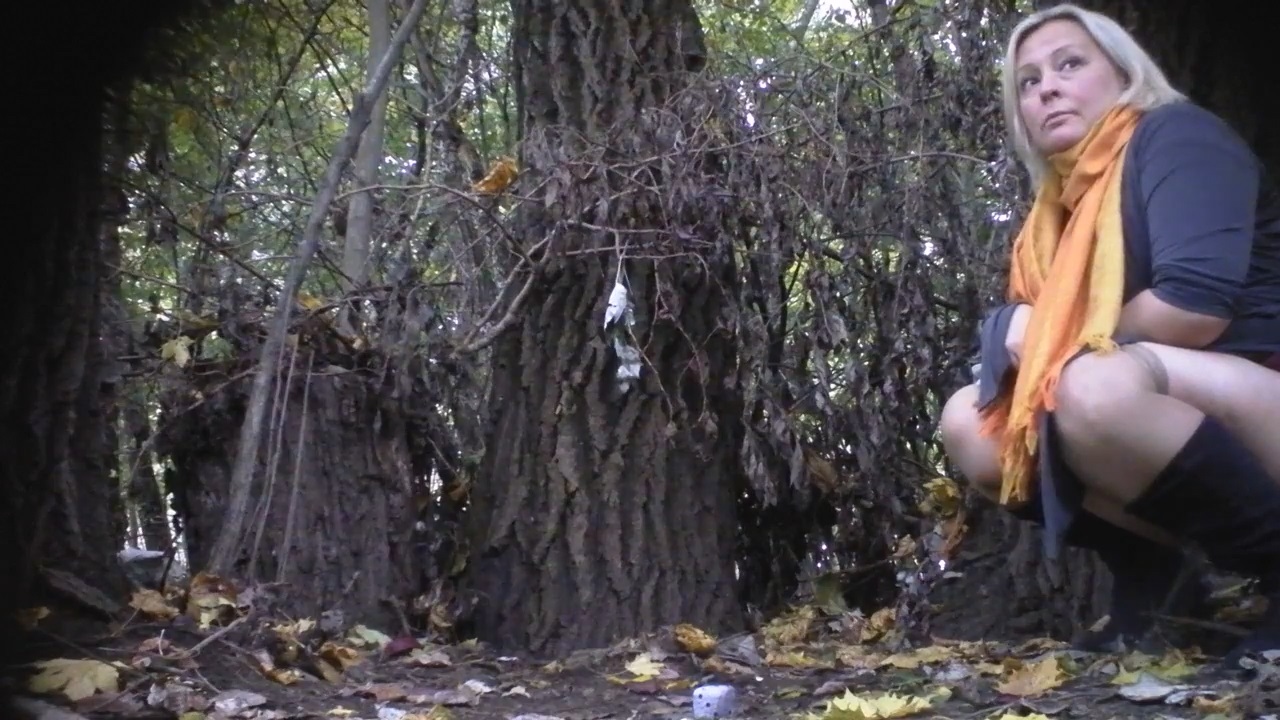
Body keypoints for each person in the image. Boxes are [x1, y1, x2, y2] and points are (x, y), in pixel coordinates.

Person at [939, 3, 1280, 668]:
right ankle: (1160, 585)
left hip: (1259, 383)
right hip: (1179, 402)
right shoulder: (1057, 210)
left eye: (1070, 64)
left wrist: (1051, 334)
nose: (1048, 88)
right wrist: (1019, 331)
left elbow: (1192, 308)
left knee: (1091, 385)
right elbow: (1027, 346)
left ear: (1124, 75)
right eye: (1029, 82)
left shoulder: (1177, 136)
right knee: (973, 424)